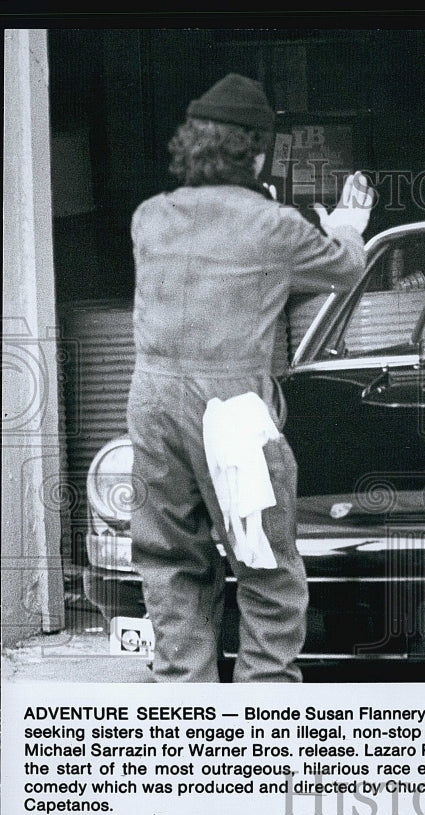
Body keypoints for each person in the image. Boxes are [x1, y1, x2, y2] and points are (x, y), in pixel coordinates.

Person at [127, 73, 374, 682]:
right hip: (231, 412)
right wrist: (344, 224)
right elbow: (344, 270)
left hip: (151, 402)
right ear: (258, 150)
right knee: (266, 570)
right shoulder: (274, 226)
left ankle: (186, 711)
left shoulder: (149, 219)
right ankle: (261, 724)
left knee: (169, 563)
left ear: (192, 141)